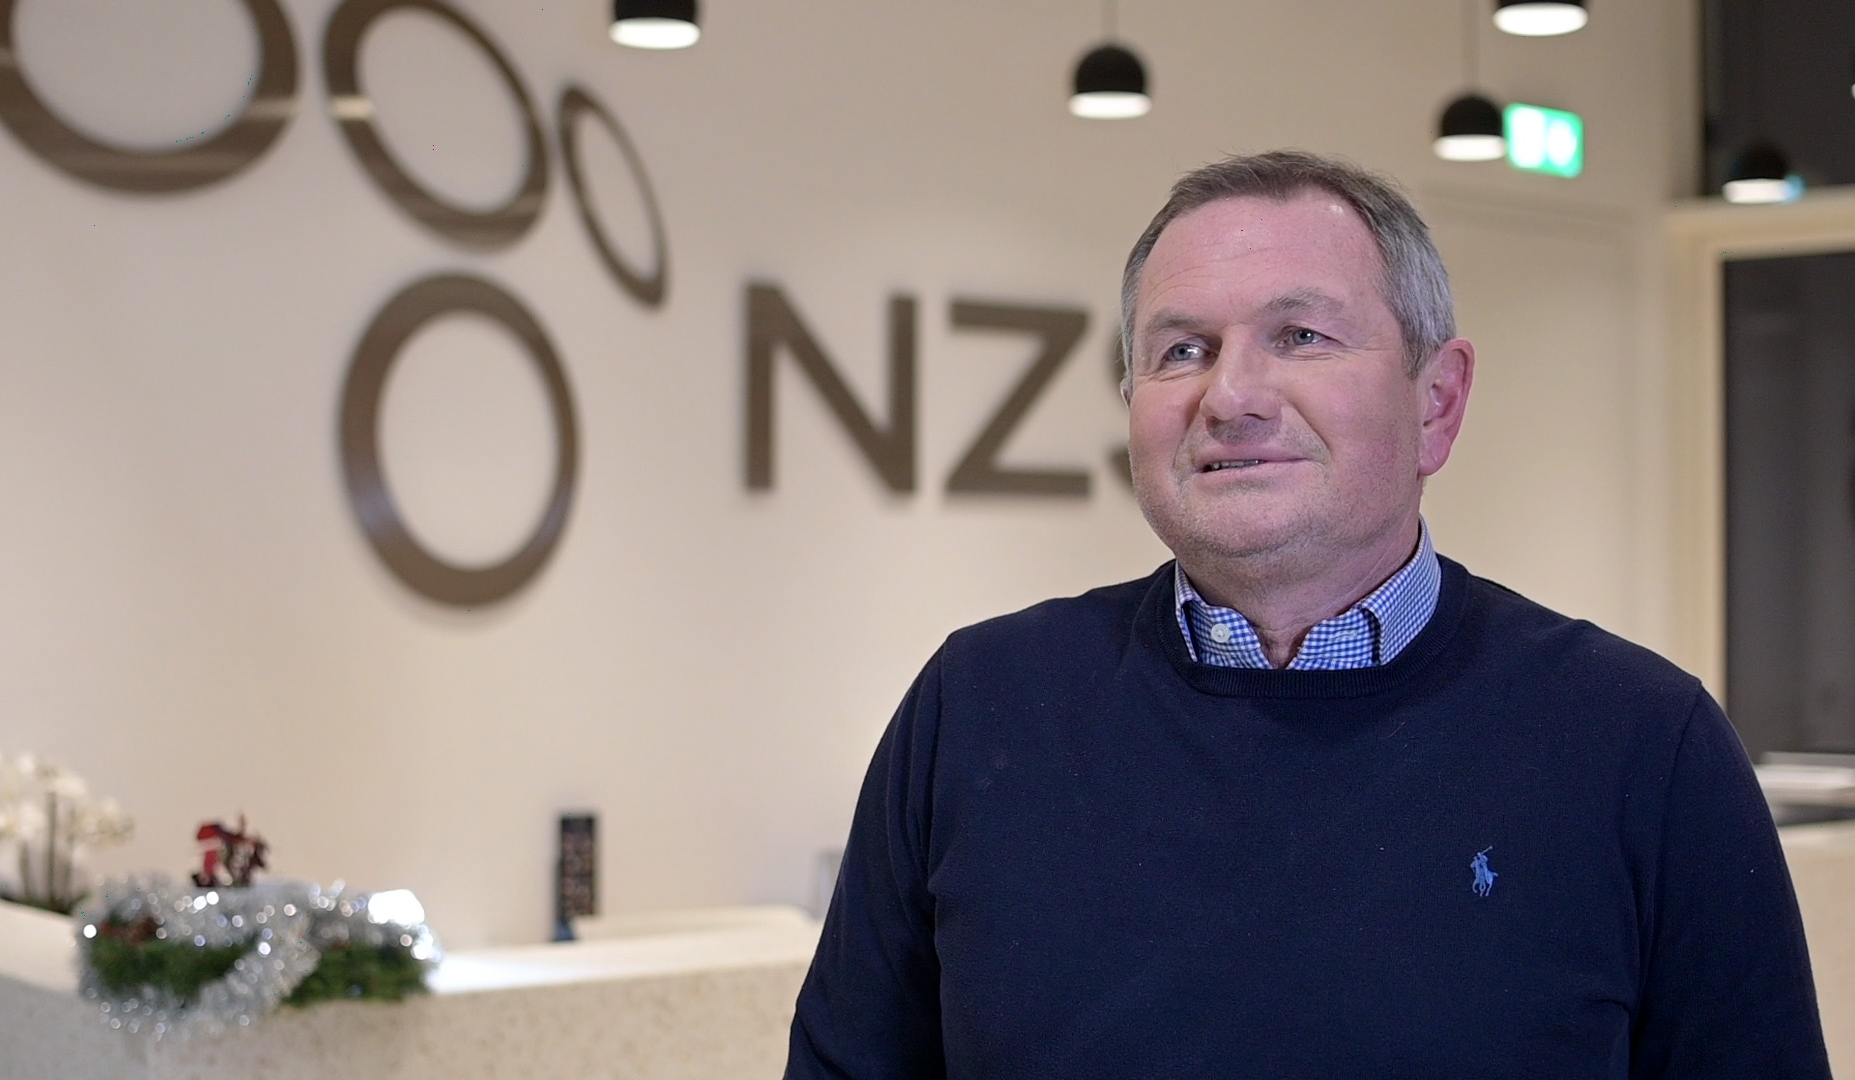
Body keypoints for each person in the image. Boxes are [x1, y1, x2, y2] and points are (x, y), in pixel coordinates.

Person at [783, 149, 1831, 1078]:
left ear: (1437, 401)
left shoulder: (1643, 744)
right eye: (1181, 350)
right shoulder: (977, 706)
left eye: (1300, 336)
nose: (1231, 394)